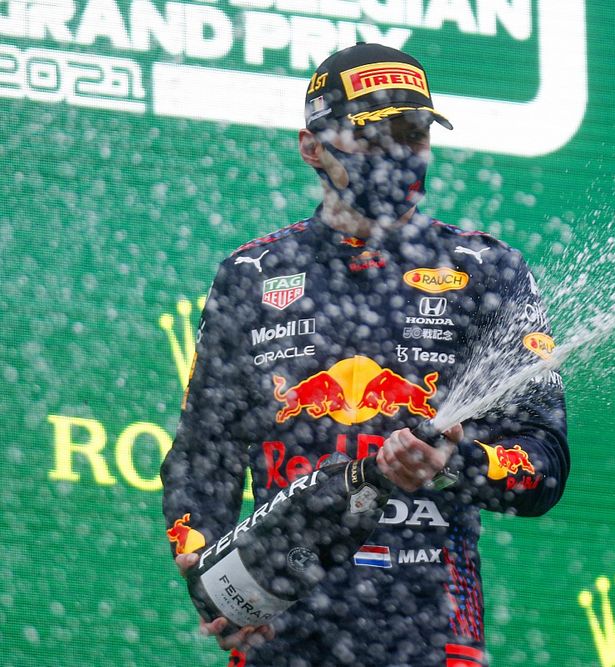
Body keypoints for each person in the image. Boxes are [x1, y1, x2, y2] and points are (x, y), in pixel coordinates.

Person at [160, 42, 570, 667]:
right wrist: (212, 577)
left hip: (432, 629)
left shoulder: (487, 271)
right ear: (311, 146)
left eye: (414, 133)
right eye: (372, 134)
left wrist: (455, 462)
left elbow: (543, 468)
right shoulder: (253, 274)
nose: (398, 153)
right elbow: (200, 457)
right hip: (287, 630)